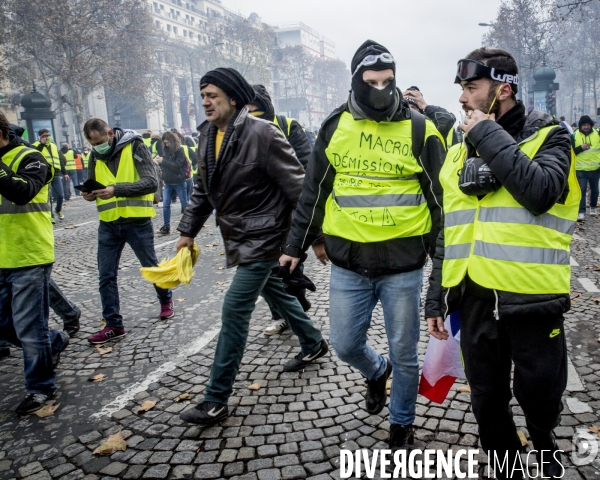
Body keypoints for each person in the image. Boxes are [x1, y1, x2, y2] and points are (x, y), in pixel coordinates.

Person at [279, 40, 446, 449]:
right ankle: (376, 372)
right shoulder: (335, 126)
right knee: (345, 344)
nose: (381, 90)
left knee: (406, 355)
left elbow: (442, 203)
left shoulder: (421, 129)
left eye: (388, 81)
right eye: (371, 82)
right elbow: (313, 192)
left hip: (403, 266)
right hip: (349, 265)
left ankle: (401, 424)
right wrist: (294, 246)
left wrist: (441, 268)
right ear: (356, 81)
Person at [426, 48, 578, 479]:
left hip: (532, 295)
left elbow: (541, 191)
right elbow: (450, 228)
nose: (462, 98)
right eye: (461, 89)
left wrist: (488, 135)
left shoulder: (551, 136)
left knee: (540, 393)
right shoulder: (459, 147)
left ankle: (543, 437)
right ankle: (507, 463)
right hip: (473, 295)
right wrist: (436, 297)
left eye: (471, 88)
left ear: (502, 90)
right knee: (486, 400)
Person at [177, 67, 327, 426]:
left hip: (266, 237)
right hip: (238, 235)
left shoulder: (264, 133)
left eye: (212, 95)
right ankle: (313, 342)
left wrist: (318, 238)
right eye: (202, 97)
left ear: (233, 97)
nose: (206, 103)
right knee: (275, 291)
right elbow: (202, 189)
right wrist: (187, 231)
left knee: (234, 310)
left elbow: (299, 188)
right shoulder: (206, 135)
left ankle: (215, 399)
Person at [0, 110, 70, 414]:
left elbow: (23, 192)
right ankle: (53, 340)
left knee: (29, 327)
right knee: (4, 325)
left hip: (29, 255)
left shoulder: (32, 157)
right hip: (2, 257)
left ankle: (40, 386)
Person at [82, 119, 174, 344]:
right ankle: (113, 324)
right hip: (108, 223)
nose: (97, 147)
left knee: (151, 266)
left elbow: (151, 182)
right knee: (106, 275)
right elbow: (92, 182)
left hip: (137, 221)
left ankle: (165, 299)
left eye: (100, 142)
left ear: (110, 134)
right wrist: (89, 193)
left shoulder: (135, 145)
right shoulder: (94, 155)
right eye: (93, 144)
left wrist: (116, 190)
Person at [247, 84, 328, 336]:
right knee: (264, 271)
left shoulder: (288, 126)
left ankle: (295, 314)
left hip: (288, 214)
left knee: (288, 267)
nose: (250, 114)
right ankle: (290, 312)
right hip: (255, 215)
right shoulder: (239, 129)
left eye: (254, 108)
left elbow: (306, 174)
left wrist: (316, 237)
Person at [156, 131, 190, 235]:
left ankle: (188, 225)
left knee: (184, 204)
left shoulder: (180, 150)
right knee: (166, 204)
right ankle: (166, 226)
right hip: (168, 182)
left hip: (179, 181)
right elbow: (167, 166)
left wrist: (163, 162)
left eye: (168, 142)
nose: (166, 145)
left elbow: (177, 166)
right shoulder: (164, 151)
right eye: (165, 143)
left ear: (172, 141)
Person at [33, 129, 69, 220]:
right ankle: (51, 215)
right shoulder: (35, 145)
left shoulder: (54, 145)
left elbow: (60, 159)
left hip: (56, 173)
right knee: (48, 197)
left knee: (60, 195)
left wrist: (64, 173)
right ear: (40, 136)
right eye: (45, 135)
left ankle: (58, 209)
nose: (47, 137)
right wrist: (42, 144)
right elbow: (34, 156)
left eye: (49, 135)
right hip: (44, 174)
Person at [572, 115, 600, 220]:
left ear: (591, 125)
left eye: (588, 125)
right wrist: (581, 148)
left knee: (595, 190)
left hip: (595, 169)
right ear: (580, 126)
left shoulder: (598, 134)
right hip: (580, 169)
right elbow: (571, 151)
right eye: (584, 125)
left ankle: (593, 207)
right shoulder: (574, 136)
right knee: (582, 190)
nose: (586, 127)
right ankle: (581, 211)